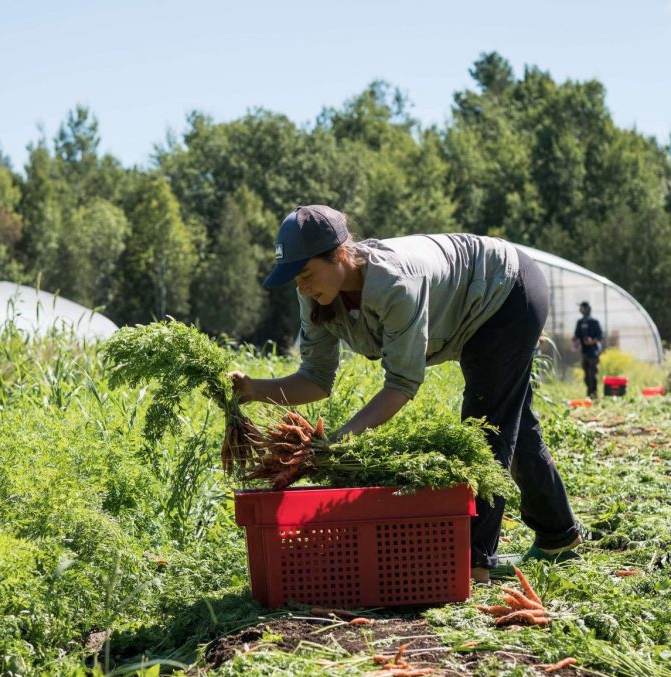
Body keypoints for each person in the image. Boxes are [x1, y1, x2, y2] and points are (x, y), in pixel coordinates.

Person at [228, 205, 581, 583]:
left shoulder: (395, 282)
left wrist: (340, 441)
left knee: (487, 429)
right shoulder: (316, 295)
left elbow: (401, 384)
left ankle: (472, 563)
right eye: (295, 279)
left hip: (505, 291)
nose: (302, 287)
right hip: (475, 309)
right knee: (512, 423)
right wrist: (253, 390)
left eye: (307, 274)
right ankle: (558, 535)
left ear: (341, 255)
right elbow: (315, 378)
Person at [573, 302, 603, 399]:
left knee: (592, 374)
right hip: (585, 352)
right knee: (586, 374)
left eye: (582, 308)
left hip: (594, 352)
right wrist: (575, 342)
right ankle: (589, 393)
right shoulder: (580, 322)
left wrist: (592, 341)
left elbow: (600, 336)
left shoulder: (594, 322)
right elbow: (576, 336)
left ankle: (593, 394)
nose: (580, 310)